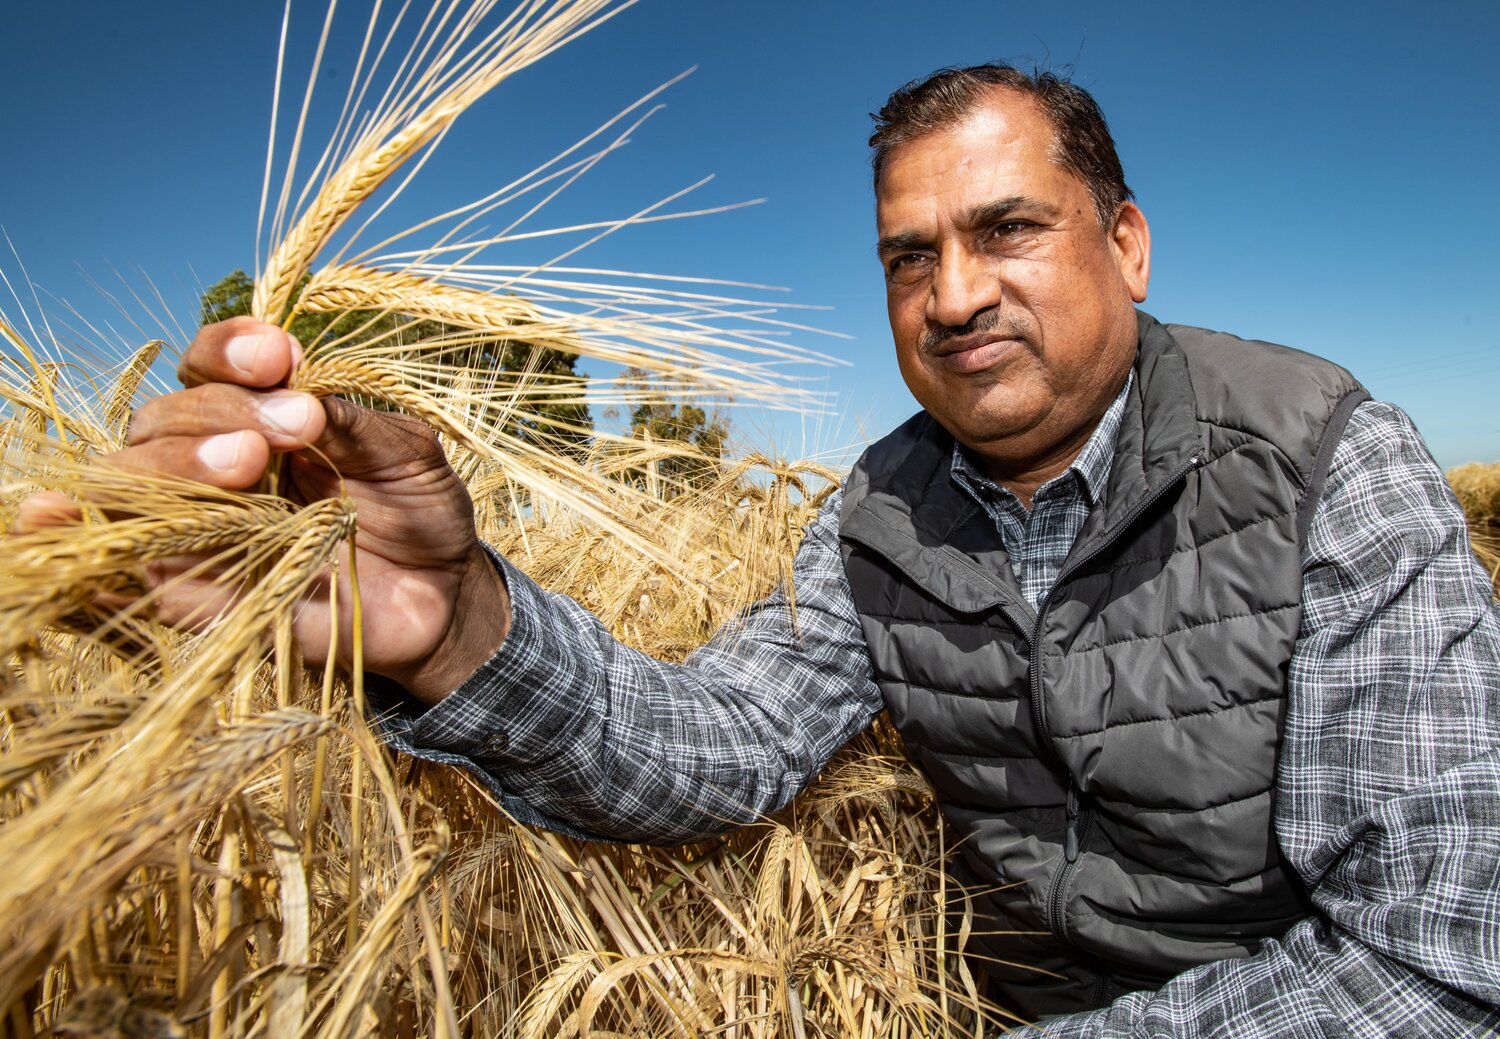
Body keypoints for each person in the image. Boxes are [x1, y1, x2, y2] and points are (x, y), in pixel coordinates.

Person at [48, 64, 1499, 1035]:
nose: (953, 294)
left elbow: (1435, 960)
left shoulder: (1322, 462)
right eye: (907, 255)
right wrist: (449, 623)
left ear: (1125, 244)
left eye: (1008, 230)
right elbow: (718, 747)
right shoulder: (877, 516)